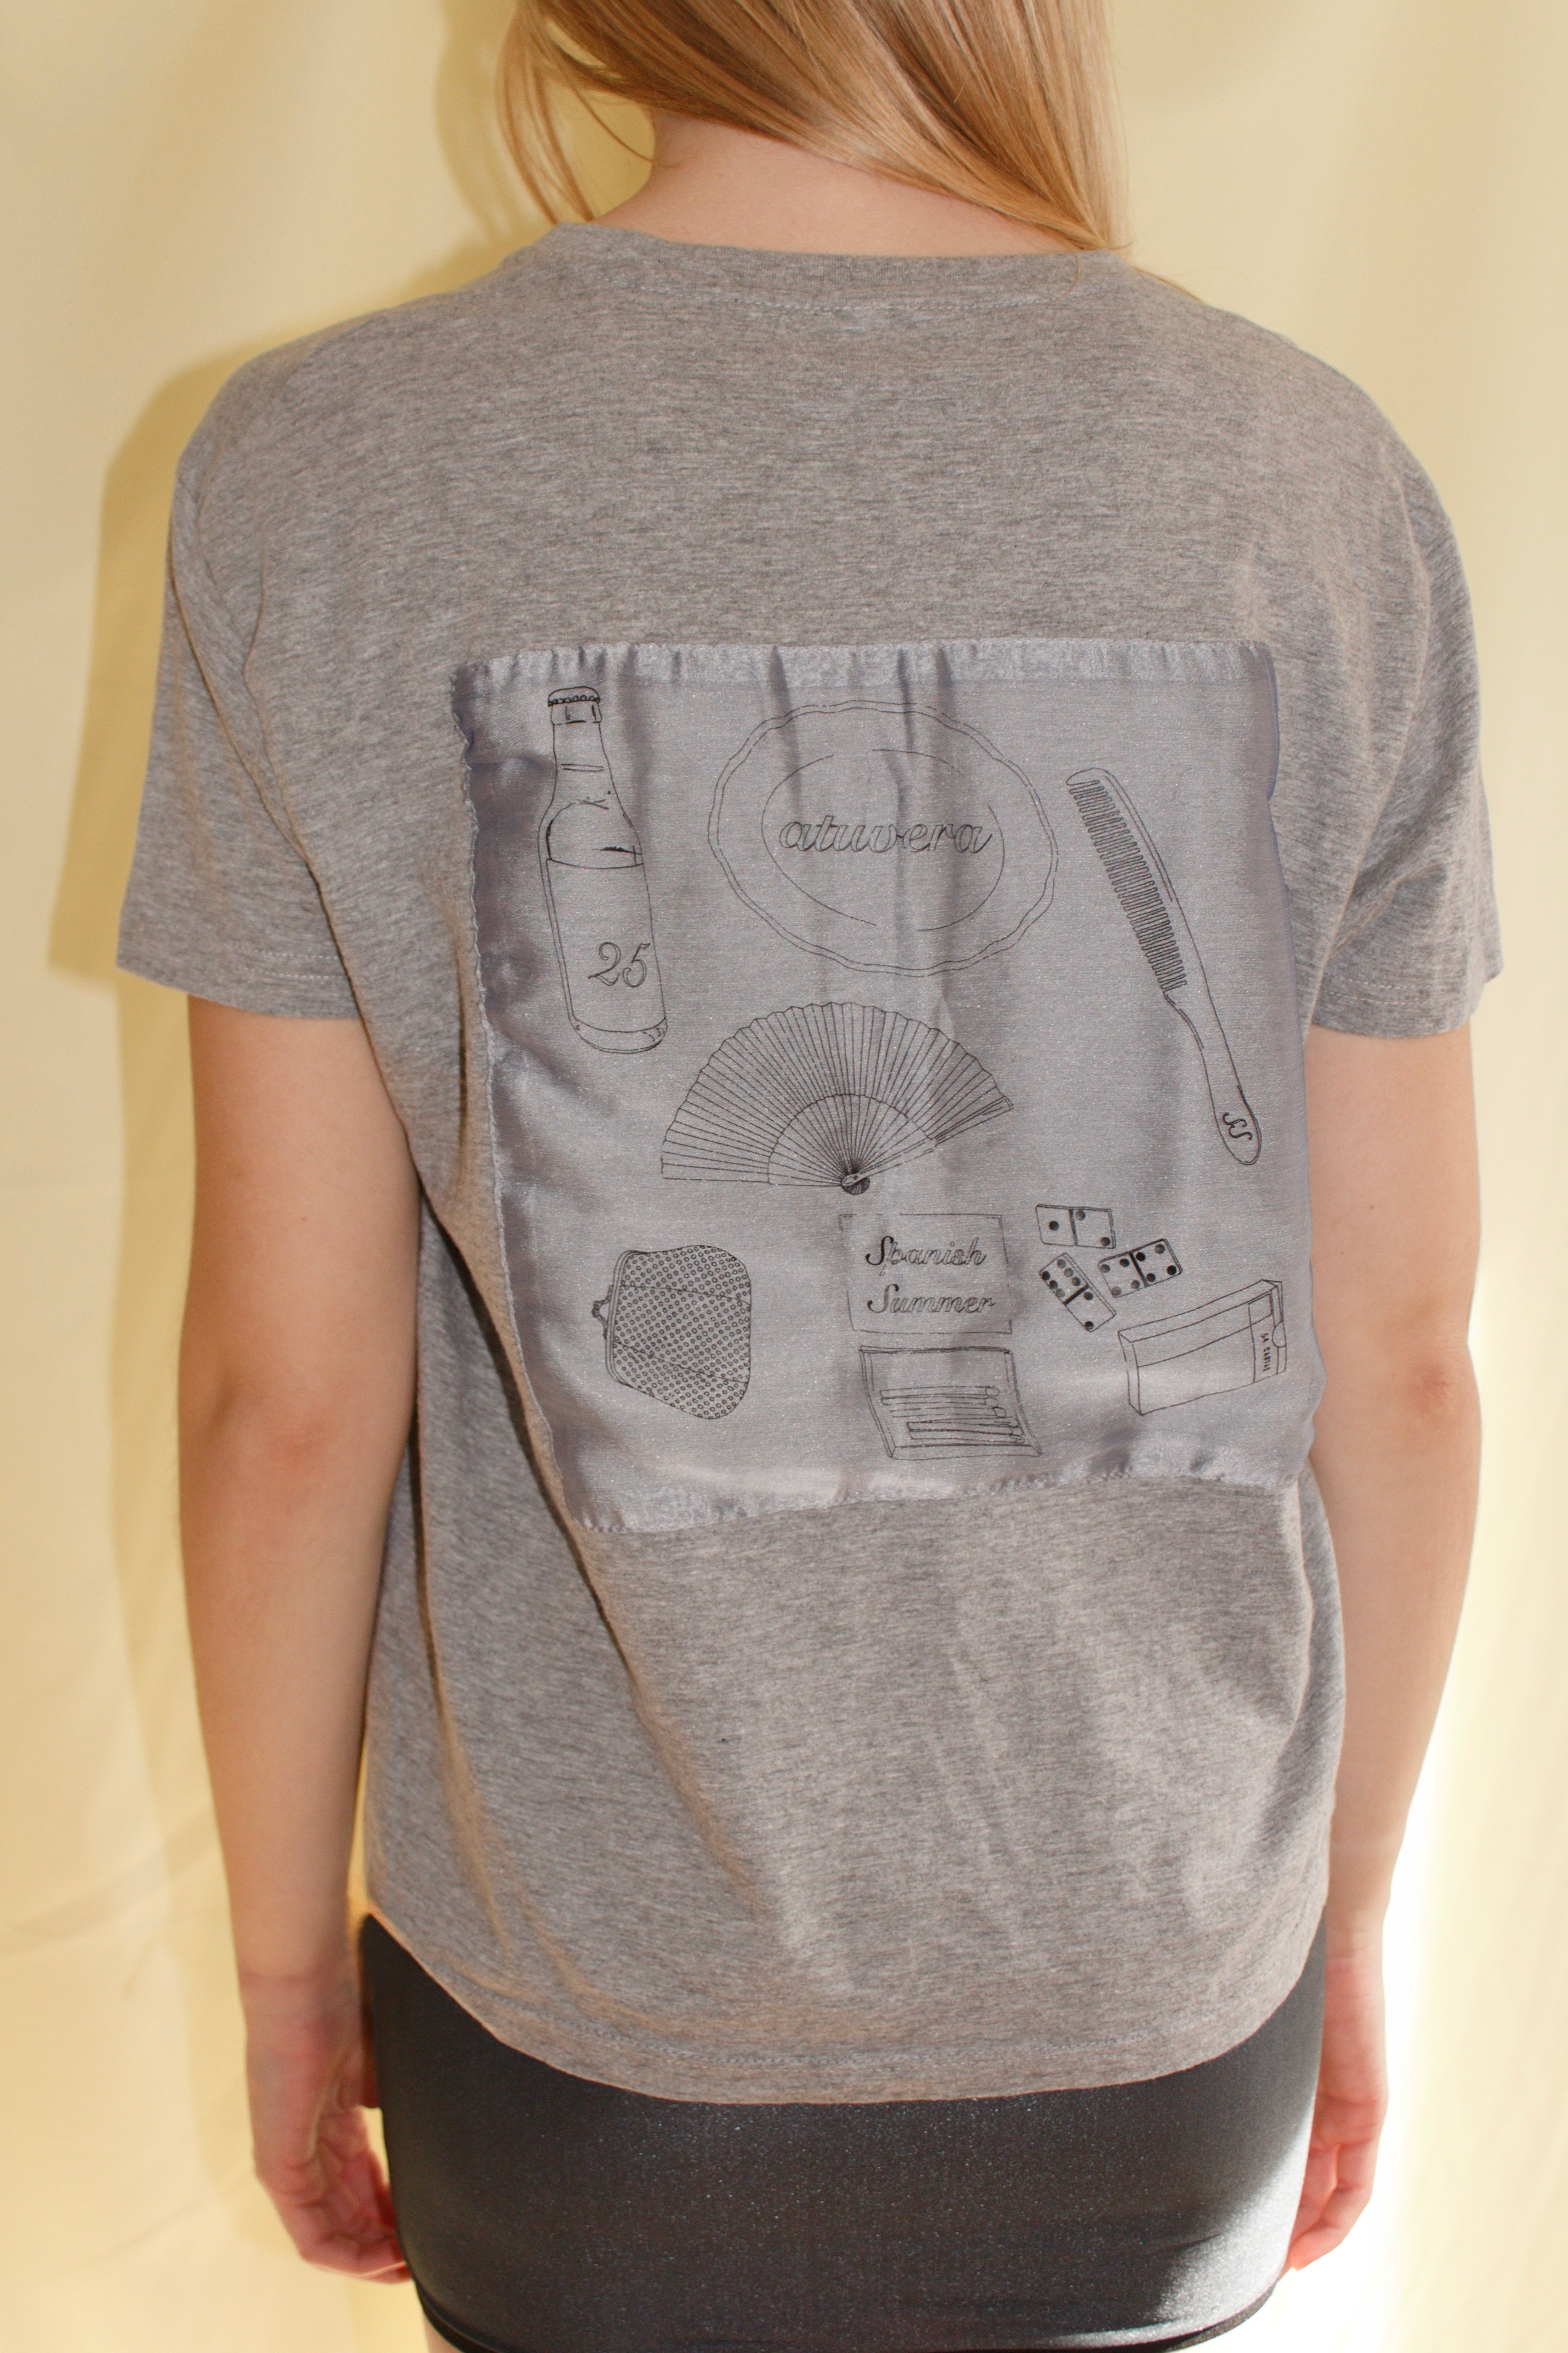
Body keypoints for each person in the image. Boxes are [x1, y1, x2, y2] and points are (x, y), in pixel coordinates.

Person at [118, 0, 1498, 2345]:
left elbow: (289, 1398)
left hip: (580, 2047)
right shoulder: (1308, 474)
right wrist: (1344, 1917)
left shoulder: (320, 472)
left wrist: (277, 1977)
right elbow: (1402, 1361)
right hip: (1159, 2020)